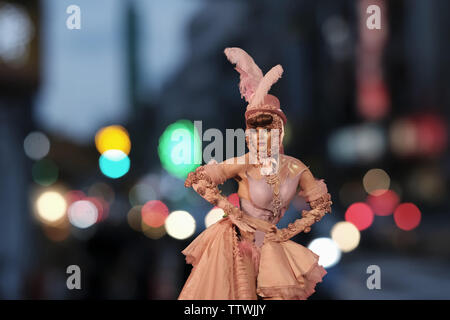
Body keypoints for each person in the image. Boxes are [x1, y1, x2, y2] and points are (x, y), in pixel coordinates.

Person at [178, 48, 332, 300]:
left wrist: (289, 231)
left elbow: (320, 204)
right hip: (237, 243)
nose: (261, 139)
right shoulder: (245, 163)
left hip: (273, 245)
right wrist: (232, 211)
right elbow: (200, 179)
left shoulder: (296, 168)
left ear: (280, 133)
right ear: (248, 136)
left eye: (268, 131)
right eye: (254, 132)